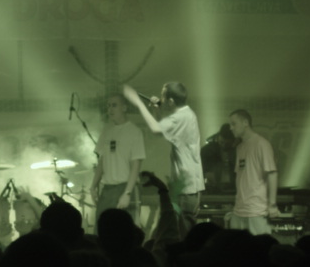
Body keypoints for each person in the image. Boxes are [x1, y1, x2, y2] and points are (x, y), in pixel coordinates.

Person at [124, 83, 205, 238]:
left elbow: (156, 129)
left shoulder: (180, 118)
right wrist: (157, 111)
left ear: (171, 101)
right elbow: (162, 130)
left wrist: (139, 103)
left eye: (163, 96)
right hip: (188, 189)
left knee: (178, 237)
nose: (160, 98)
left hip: (185, 190)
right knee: (176, 235)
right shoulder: (187, 114)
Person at [90, 94, 145, 227]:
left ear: (124, 108)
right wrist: (93, 186)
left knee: (124, 230)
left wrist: (127, 193)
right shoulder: (107, 131)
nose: (110, 109)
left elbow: (136, 165)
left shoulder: (134, 132)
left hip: (125, 186)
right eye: (108, 106)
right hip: (107, 189)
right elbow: (102, 161)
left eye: (114, 105)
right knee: (102, 228)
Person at [228, 109, 280, 235]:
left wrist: (272, 204)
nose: (231, 128)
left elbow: (272, 173)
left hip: (256, 211)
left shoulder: (262, 144)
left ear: (245, 122)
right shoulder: (240, 147)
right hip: (239, 210)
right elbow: (241, 177)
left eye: (234, 124)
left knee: (259, 247)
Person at [200, 123, 237, 193]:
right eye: (222, 142)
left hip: (229, 187)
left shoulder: (236, 150)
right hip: (216, 187)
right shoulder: (208, 150)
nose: (224, 146)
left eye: (227, 144)